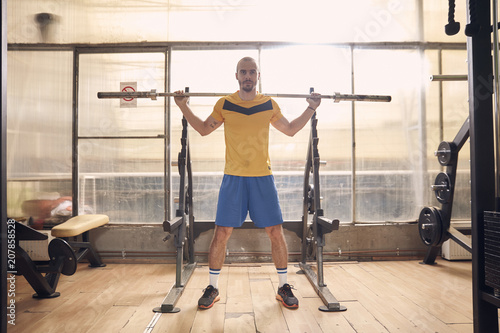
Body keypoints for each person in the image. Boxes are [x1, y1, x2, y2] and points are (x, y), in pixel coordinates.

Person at [174, 56, 321, 310]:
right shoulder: (225, 104)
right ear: (236, 76)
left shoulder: (268, 105)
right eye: (243, 72)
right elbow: (203, 129)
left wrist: (311, 108)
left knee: (276, 232)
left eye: (252, 72)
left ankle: (283, 286)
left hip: (262, 178)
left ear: (258, 76)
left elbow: (290, 129)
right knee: (222, 233)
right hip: (233, 178)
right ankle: (213, 287)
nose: (248, 76)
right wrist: (182, 106)